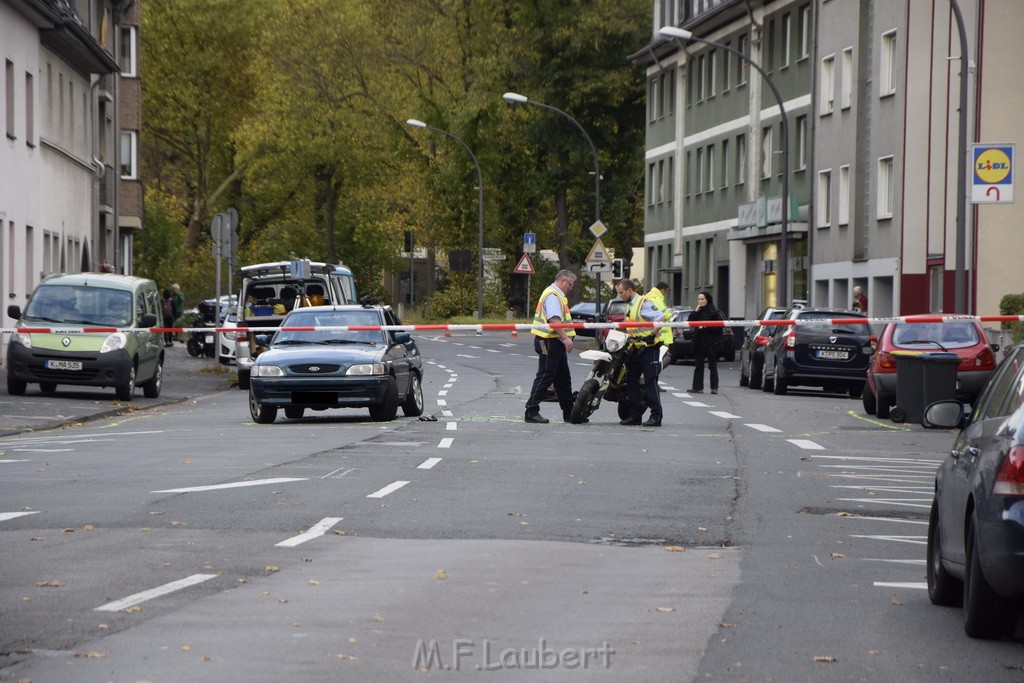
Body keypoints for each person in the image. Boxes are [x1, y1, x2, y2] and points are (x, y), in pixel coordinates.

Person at [524, 269, 577, 424]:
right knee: (545, 376)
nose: (571, 288)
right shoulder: (553, 296)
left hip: (554, 342)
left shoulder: (556, 295)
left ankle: (570, 413)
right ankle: (531, 411)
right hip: (548, 341)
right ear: (563, 281)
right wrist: (566, 338)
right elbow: (554, 321)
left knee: (563, 380)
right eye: (571, 284)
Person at [617, 279, 669, 427]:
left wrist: (652, 334)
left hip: (649, 348)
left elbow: (661, 318)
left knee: (650, 381)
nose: (620, 295)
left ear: (629, 290)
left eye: (621, 292)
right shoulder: (630, 306)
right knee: (631, 382)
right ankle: (635, 416)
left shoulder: (643, 303)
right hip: (635, 348)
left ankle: (656, 416)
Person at [689, 290, 724, 394]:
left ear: (707, 300)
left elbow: (720, 327)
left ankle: (714, 388)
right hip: (699, 342)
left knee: (712, 366)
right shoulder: (697, 311)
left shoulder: (715, 312)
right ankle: (697, 387)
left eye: (702, 299)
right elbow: (690, 322)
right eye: (699, 299)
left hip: (711, 343)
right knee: (698, 365)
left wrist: (707, 326)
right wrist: (695, 311)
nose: (700, 301)